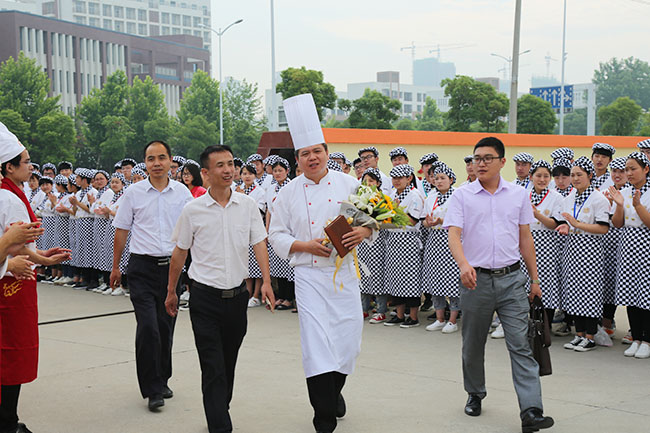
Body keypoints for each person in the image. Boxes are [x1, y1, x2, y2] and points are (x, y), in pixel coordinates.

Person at [269, 94, 372, 433]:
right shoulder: (286, 193)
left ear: (327, 152)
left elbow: (373, 221)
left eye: (317, 151)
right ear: (297, 158)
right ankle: (323, 417)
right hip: (309, 276)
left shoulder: (351, 184)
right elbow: (276, 234)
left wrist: (361, 231)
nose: (312, 158)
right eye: (304, 153)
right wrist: (305, 246)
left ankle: (334, 391)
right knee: (316, 346)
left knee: (347, 341)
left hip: (345, 275)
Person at [444, 137, 554, 432]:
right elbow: (454, 235)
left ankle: (531, 410)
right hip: (475, 281)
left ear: (502, 162)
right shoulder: (462, 195)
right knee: (473, 344)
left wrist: (534, 278)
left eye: (487, 158)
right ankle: (475, 393)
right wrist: (464, 265)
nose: (480, 162)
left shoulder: (517, 195)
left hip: (512, 280)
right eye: (476, 158)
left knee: (521, 344)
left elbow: (525, 238)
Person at [165, 145, 275, 433]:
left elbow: (259, 243)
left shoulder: (248, 205)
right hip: (205, 298)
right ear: (205, 172)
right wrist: (171, 290)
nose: (228, 170)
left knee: (228, 362)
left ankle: (219, 407)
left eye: (231, 164)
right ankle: (219, 424)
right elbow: (179, 253)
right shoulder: (193, 210)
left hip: (237, 298)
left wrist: (265, 281)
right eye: (220, 165)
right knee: (212, 364)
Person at [110, 141, 193, 412]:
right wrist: (115, 266)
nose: (156, 163)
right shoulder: (133, 193)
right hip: (141, 269)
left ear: (171, 161)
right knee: (148, 327)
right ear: (144, 163)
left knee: (165, 327)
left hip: (171, 269)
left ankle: (163, 378)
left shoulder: (182, 193)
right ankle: (152, 389)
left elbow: (194, 230)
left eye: (161, 158)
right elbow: (122, 230)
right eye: (150, 158)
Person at [0, 123, 71, 433]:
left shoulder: (12, 195)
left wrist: (41, 258)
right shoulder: (9, 199)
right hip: (9, 292)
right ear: (9, 166)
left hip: (14, 283)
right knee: (11, 356)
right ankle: (7, 422)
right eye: (25, 161)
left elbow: (19, 247)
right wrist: (13, 260)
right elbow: (13, 245)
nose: (31, 166)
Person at [556, 157, 610, 352]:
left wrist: (577, 225)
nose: (575, 178)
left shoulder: (599, 199)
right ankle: (578, 334)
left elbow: (603, 228)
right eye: (573, 175)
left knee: (589, 293)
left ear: (590, 175)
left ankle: (590, 336)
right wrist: (566, 226)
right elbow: (568, 223)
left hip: (591, 251)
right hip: (573, 249)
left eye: (579, 174)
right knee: (575, 292)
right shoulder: (569, 198)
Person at [610, 152, 650, 358]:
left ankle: (647, 340)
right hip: (627, 246)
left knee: (646, 294)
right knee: (630, 293)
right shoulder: (624, 192)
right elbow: (618, 224)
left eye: (633, 169)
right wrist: (618, 205)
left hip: (646, 247)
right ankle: (635, 338)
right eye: (627, 169)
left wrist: (638, 206)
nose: (629, 173)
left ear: (646, 169)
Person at [521, 160, 564, 326]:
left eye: (546, 176)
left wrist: (536, 214)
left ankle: (544, 326)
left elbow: (554, 224)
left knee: (545, 285)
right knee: (523, 283)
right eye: (538, 175)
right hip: (525, 242)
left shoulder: (556, 197)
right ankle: (524, 323)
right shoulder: (523, 194)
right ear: (531, 177)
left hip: (547, 246)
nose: (542, 179)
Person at [383, 164, 425, 328]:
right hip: (393, 240)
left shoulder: (415, 195)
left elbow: (413, 220)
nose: (396, 181)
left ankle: (413, 317)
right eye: (394, 178)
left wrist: (393, 212)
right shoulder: (393, 193)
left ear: (409, 178)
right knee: (395, 278)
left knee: (410, 279)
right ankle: (399, 315)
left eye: (400, 178)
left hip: (408, 241)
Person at [422, 163, 460, 333]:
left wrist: (441, 221)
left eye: (443, 178)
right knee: (435, 279)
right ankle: (439, 318)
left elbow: (461, 220)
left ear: (451, 180)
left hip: (450, 240)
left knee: (452, 280)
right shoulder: (430, 197)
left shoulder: (458, 196)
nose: (439, 181)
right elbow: (423, 220)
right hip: (433, 241)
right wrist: (427, 222)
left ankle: (452, 320)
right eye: (436, 178)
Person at [600, 157, 629, 337]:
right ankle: (606, 322)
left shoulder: (632, 192)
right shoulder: (604, 193)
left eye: (622, 171)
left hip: (625, 244)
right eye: (615, 171)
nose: (617, 175)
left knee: (626, 283)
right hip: (605, 244)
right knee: (607, 282)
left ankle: (636, 329)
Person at [357, 168, 389, 323]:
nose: (368, 184)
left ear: (378, 183)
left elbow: (386, 220)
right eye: (365, 181)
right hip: (362, 242)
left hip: (377, 242)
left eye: (371, 181)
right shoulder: (358, 198)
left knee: (377, 275)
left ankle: (381, 310)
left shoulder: (383, 199)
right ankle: (363, 309)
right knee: (362, 274)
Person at [235, 164, 267, 307]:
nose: (247, 176)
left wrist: (244, 198)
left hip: (254, 228)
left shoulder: (259, 191)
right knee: (247, 263)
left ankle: (256, 295)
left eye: (250, 173)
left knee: (257, 263)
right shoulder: (236, 189)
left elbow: (260, 209)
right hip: (240, 229)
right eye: (244, 173)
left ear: (255, 175)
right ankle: (248, 293)